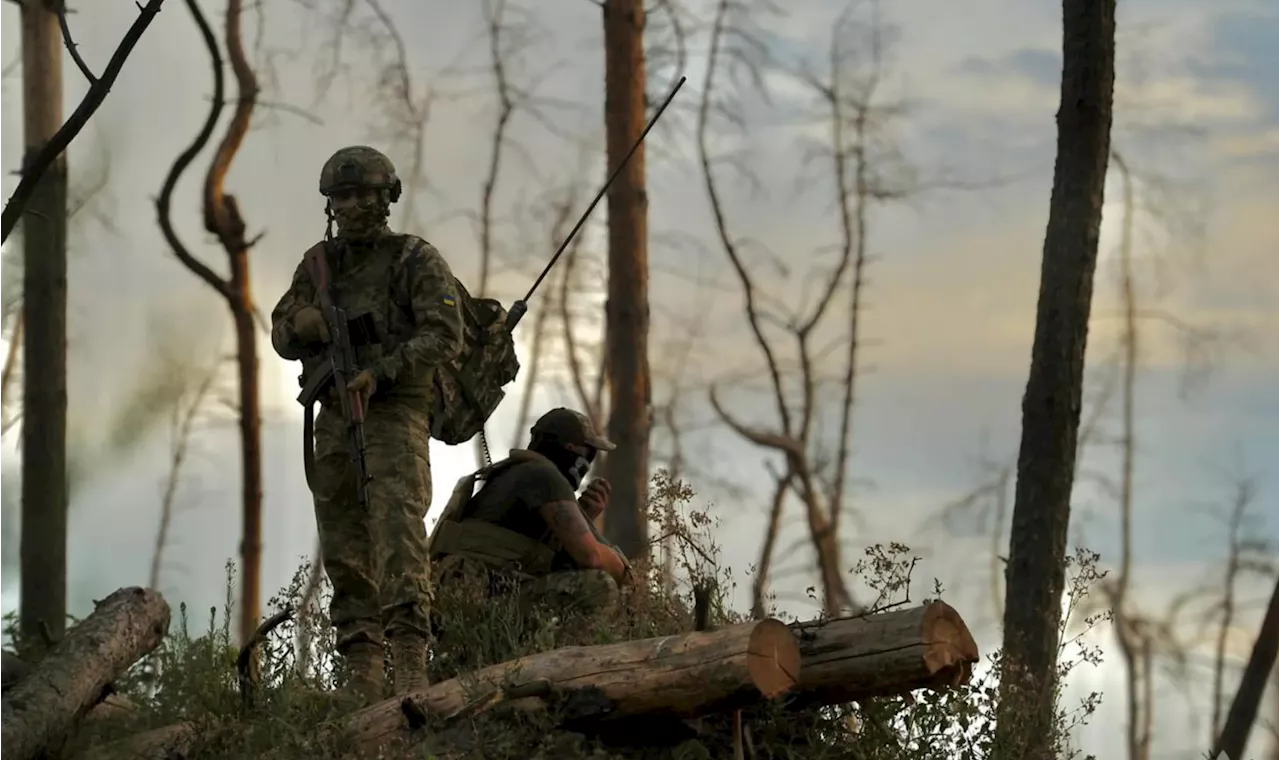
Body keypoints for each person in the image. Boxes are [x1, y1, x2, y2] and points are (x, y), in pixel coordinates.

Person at [269, 145, 463, 701]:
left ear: (386, 199)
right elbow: (281, 331)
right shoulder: (318, 266)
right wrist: (303, 324)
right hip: (334, 415)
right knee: (343, 540)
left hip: (395, 411)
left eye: (364, 195)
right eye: (343, 197)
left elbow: (444, 334)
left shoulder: (413, 260)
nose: (353, 206)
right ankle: (361, 669)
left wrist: (381, 371)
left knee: (398, 534)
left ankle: (408, 663)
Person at [429, 407, 633, 621]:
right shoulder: (544, 476)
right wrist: (627, 574)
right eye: (588, 453)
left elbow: (529, 554)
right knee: (598, 588)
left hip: (460, 600)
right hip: (478, 599)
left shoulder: (511, 474)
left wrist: (584, 516)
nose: (588, 463)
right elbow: (592, 557)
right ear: (569, 448)